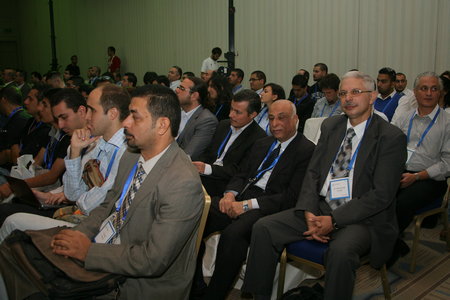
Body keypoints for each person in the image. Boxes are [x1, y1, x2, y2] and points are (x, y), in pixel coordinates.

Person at [0, 84, 204, 299]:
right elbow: (108, 205)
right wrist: (78, 235)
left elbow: (152, 259)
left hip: (133, 283)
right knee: (14, 252)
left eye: (134, 117)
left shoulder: (182, 182)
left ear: (162, 125)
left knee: (32, 283)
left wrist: (87, 251)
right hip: (105, 247)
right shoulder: (133, 155)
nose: (125, 123)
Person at [241, 71, 406, 300]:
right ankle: (257, 296)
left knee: (340, 252)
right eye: (343, 93)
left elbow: (382, 195)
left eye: (356, 92)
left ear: (373, 96)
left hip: (364, 218)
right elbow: (313, 172)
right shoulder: (331, 126)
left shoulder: (390, 137)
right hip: (320, 207)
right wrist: (309, 209)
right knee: (264, 227)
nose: (348, 98)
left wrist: (335, 220)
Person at [193, 100, 315, 299]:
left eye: (282, 118)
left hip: (267, 206)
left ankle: (214, 295)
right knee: (196, 217)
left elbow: (290, 196)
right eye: (272, 118)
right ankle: (196, 285)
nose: (275, 124)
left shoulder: (306, 150)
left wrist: (246, 205)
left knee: (233, 235)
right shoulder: (262, 144)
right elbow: (241, 174)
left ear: (296, 120)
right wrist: (229, 194)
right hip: (240, 196)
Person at [0, 84, 130, 242]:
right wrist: (75, 152)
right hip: (81, 216)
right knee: (11, 217)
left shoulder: (126, 151)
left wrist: (73, 197)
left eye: (92, 110)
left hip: (95, 227)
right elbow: (73, 194)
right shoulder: (99, 144)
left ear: (112, 113)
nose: (87, 117)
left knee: (12, 221)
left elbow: (89, 205)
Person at [0, 88, 87, 223]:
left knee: (8, 213)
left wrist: (18, 186)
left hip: (68, 204)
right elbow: (36, 163)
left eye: (44, 105)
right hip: (55, 194)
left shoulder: (70, 138)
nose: (40, 108)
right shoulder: (55, 133)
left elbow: (52, 177)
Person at [390, 71, 450, 263]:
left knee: (400, 203)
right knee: (374, 194)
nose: (429, 93)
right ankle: (392, 242)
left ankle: (386, 251)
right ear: (415, 92)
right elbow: (389, 148)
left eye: (434, 89)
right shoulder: (403, 118)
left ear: (440, 93)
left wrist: (416, 177)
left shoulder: (447, 123)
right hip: (400, 172)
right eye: (424, 88)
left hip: (430, 179)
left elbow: (447, 164)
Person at [192, 89, 266, 197]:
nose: (231, 115)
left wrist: (207, 168)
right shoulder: (223, 125)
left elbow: (240, 172)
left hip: (224, 185)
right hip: (204, 175)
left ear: (253, 114)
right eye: (231, 109)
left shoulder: (259, 138)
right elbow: (208, 153)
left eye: (238, 112)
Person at [175, 77, 218, 161]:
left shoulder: (206, 120)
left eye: (181, 88)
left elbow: (189, 155)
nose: (176, 90)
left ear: (194, 96)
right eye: (178, 87)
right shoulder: (174, 112)